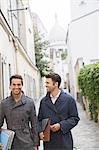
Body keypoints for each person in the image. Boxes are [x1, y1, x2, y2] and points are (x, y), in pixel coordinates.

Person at [38, 73, 80, 150]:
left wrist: (60, 125)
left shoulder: (69, 100)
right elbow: (39, 119)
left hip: (64, 140)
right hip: (49, 142)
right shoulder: (43, 101)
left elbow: (74, 118)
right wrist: (40, 131)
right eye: (45, 82)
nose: (45, 85)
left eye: (48, 83)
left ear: (56, 84)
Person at [0, 74, 39, 150]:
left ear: (22, 85)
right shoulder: (4, 104)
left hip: (27, 142)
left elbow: (34, 125)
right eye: (13, 84)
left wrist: (36, 144)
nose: (16, 87)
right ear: (10, 86)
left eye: (19, 84)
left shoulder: (29, 102)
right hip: (11, 142)